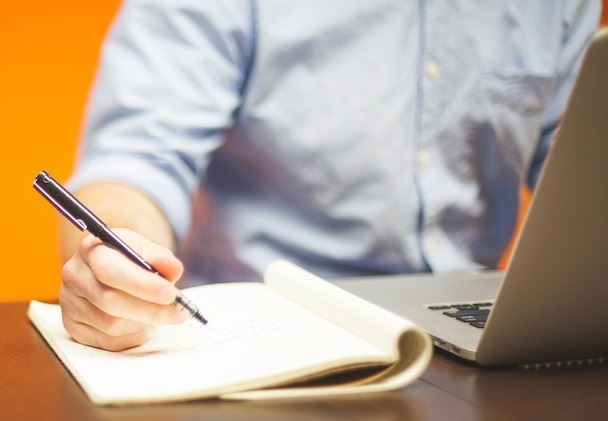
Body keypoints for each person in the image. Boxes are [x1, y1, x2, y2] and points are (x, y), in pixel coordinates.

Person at [57, 1, 602, 351]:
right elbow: (137, 159)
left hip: (487, 335)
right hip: (264, 333)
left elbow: (583, 164)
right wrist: (118, 257)